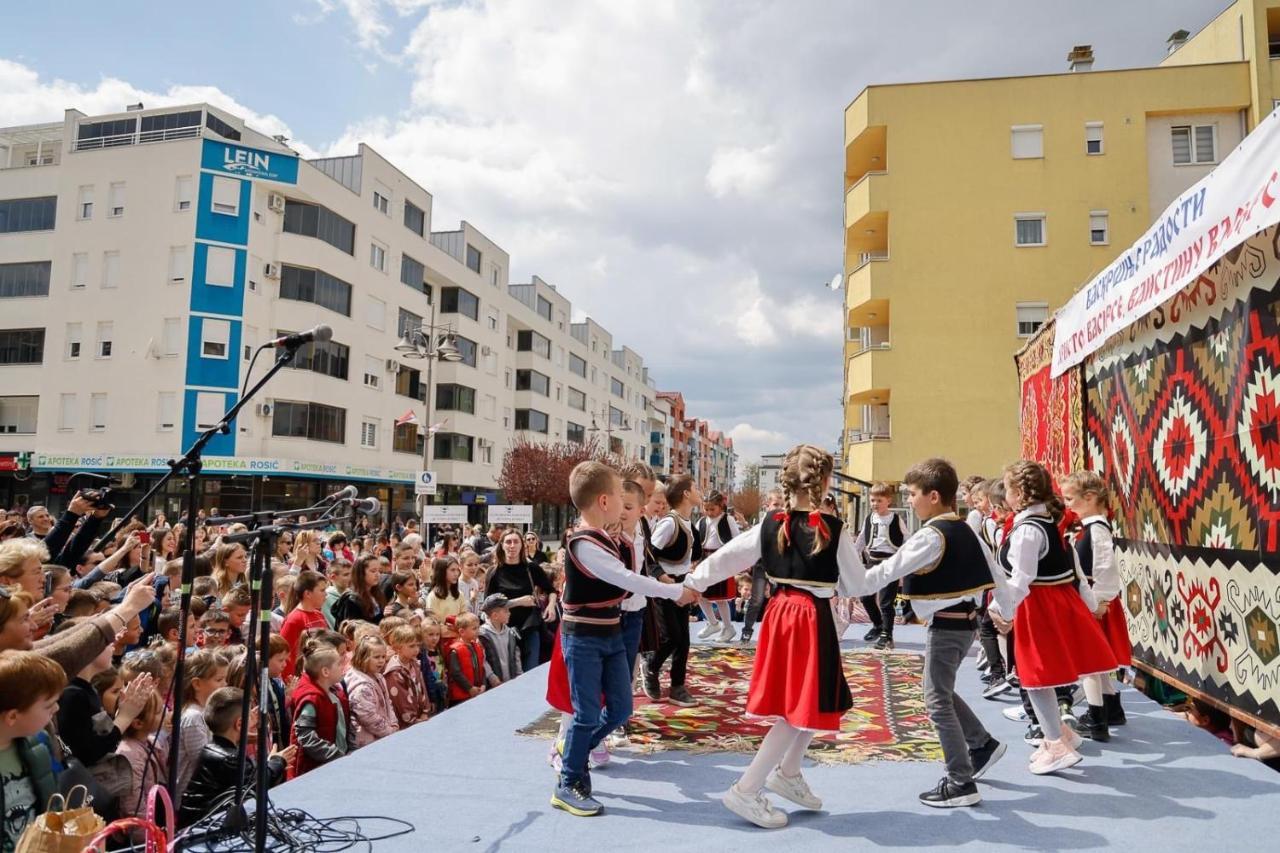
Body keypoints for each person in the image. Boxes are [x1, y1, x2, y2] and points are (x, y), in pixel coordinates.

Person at [684, 445, 862, 829]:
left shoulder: (770, 522)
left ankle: (789, 772)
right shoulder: (833, 529)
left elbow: (727, 557)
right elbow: (859, 582)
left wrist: (693, 582)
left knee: (821, 697)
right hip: (811, 618)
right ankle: (746, 789)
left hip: (783, 614)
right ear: (826, 481)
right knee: (797, 706)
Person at [858, 459, 1014, 807]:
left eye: (912, 494)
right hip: (962, 625)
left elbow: (890, 568)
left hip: (947, 626)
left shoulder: (931, 535)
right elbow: (996, 572)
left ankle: (961, 781)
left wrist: (851, 583)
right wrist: (1008, 609)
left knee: (936, 700)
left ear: (932, 495)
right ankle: (981, 743)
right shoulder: (965, 529)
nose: (909, 501)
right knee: (938, 690)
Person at [550, 461, 697, 818]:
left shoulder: (611, 536)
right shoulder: (584, 543)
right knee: (585, 713)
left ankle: (575, 750)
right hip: (583, 637)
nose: (630, 502)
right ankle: (569, 781)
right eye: (620, 494)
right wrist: (677, 591)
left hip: (610, 632)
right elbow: (627, 579)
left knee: (620, 709)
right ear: (604, 501)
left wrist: (627, 537)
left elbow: (634, 567)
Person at [987, 460, 1117, 776]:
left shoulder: (1029, 529)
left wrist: (1001, 609)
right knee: (1037, 677)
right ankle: (1060, 735)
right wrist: (1088, 603)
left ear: (1018, 492)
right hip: (1052, 603)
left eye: (1007, 488)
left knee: (1036, 678)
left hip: (1038, 607)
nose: (1005, 494)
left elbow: (1022, 578)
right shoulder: (1047, 521)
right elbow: (1075, 571)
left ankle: (1056, 743)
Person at [1062, 470, 1130, 739]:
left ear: (1089, 498)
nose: (1066, 504)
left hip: (1097, 602)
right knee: (1097, 662)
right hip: (1091, 600)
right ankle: (1112, 709)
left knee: (1088, 661)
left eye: (1069, 499)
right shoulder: (1088, 527)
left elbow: (1104, 566)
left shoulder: (1097, 529)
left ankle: (1096, 720)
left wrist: (1099, 600)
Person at [178, 686, 293, 828]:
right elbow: (257, 784)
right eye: (250, 714)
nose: (253, 716)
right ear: (239, 723)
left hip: (200, 823)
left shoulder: (213, 749)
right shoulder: (229, 758)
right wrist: (277, 761)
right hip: (200, 829)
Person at [642, 474, 701, 707]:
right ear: (686, 493)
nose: (700, 492)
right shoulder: (669, 523)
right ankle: (651, 666)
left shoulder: (689, 523)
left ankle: (677, 687)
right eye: (695, 487)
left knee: (684, 640)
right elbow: (649, 554)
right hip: (665, 586)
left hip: (682, 584)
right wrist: (665, 581)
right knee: (671, 637)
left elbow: (691, 559)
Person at [0, 650, 66, 851]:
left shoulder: (38, 744)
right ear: (12, 716)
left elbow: (52, 801)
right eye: (48, 705)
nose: (56, 709)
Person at [486, 531, 557, 672]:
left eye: (515, 542)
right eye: (508, 542)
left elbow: (551, 590)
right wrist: (517, 602)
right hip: (504, 630)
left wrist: (551, 606)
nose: (512, 546)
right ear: (501, 545)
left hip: (530, 626)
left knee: (531, 671)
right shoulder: (494, 572)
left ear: (522, 545)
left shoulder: (531, 568)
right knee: (509, 674)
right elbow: (488, 606)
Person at [287, 639, 355, 779]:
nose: (343, 666)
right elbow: (305, 736)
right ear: (325, 671)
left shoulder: (333, 691)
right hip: (314, 772)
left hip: (334, 765)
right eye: (339, 664)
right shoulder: (311, 699)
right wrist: (335, 755)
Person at [854, 482, 907, 650]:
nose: (875, 504)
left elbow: (907, 539)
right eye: (872, 500)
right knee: (865, 597)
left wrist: (905, 563)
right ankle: (878, 625)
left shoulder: (896, 519)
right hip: (872, 561)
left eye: (879, 500)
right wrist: (855, 555)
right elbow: (862, 538)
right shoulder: (869, 519)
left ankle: (887, 635)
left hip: (889, 562)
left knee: (886, 602)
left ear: (888, 501)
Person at [175, 647, 228, 798]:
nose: (225, 684)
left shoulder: (206, 712)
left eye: (225, 679)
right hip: (191, 797)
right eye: (218, 680)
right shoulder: (194, 717)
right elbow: (204, 762)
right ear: (197, 684)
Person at [694, 491, 740, 643]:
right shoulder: (701, 521)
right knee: (699, 593)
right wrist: (694, 560)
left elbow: (737, 540)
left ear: (721, 506)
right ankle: (713, 623)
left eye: (712, 509)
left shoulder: (728, 520)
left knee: (720, 598)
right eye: (706, 509)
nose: (708, 512)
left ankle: (728, 627)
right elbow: (695, 542)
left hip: (721, 560)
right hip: (704, 560)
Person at [740, 490, 782, 644]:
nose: (779, 508)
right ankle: (747, 631)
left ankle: (777, 632)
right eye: (776, 505)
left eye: (782, 505)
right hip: (762, 565)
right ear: (768, 505)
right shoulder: (762, 524)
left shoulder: (785, 522)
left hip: (778, 568)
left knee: (779, 599)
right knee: (756, 599)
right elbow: (751, 542)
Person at [344, 636, 398, 747]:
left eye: (383, 656)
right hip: (366, 742)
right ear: (363, 657)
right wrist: (389, 731)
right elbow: (368, 717)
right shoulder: (361, 686)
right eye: (376, 657)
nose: (381, 661)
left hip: (383, 735)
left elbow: (388, 703)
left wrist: (394, 723)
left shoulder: (378, 677)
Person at [384, 624, 432, 728]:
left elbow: (422, 688)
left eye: (417, 645)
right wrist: (413, 720)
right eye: (411, 646)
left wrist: (425, 711)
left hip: (421, 718)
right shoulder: (394, 673)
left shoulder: (414, 664)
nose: (416, 650)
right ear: (398, 648)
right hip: (408, 724)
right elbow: (401, 701)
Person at [443, 613, 495, 707]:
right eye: (474, 629)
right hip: (461, 697)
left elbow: (481, 668)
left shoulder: (477, 647)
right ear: (462, 631)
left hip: (477, 692)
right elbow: (455, 673)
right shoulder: (455, 650)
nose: (478, 631)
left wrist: (483, 684)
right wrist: (469, 688)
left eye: (478, 628)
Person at [478, 594, 522, 684]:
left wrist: (519, 673)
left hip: (512, 680)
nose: (509, 613)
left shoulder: (510, 632)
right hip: (494, 685)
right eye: (506, 611)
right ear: (495, 616)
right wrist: (491, 676)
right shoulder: (482, 635)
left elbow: (516, 655)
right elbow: (482, 659)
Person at [332, 555, 383, 627]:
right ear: (361, 573)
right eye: (373, 571)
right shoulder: (351, 600)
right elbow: (352, 629)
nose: (378, 574)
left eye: (379, 571)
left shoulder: (376, 593)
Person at [425, 558, 467, 624]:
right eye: (452, 570)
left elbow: (464, 617)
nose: (456, 574)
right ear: (442, 572)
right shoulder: (433, 596)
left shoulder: (460, 594)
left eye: (457, 570)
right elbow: (433, 621)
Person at [322, 558, 352, 629]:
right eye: (346, 575)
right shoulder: (326, 598)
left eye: (351, 574)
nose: (350, 578)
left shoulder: (352, 594)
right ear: (333, 577)